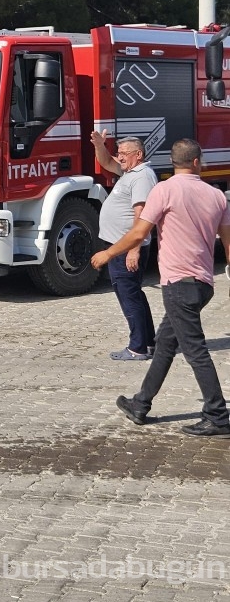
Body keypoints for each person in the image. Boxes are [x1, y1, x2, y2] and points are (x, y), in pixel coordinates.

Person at [91, 138, 230, 438]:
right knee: (165, 345)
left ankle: (218, 415)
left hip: (179, 284)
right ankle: (140, 404)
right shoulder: (217, 195)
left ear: (174, 162)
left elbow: (140, 231)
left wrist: (108, 252)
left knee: (195, 351)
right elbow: (229, 246)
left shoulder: (163, 190)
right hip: (203, 284)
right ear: (197, 162)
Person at [90, 131, 157, 361]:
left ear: (138, 155)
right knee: (134, 294)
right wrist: (100, 145)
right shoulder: (130, 171)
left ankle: (137, 347)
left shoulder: (142, 176)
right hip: (122, 245)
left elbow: (142, 215)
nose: (119, 158)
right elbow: (106, 162)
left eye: (124, 154)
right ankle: (148, 343)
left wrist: (134, 249)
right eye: (119, 153)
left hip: (126, 248)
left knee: (129, 295)